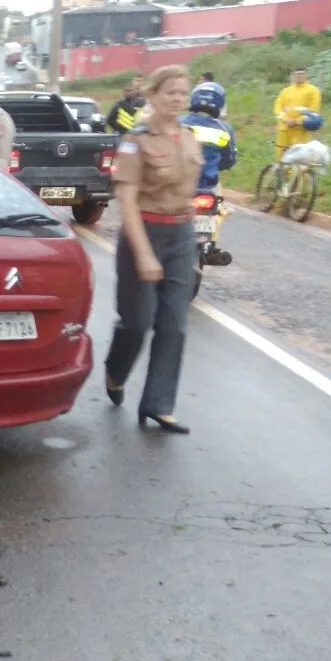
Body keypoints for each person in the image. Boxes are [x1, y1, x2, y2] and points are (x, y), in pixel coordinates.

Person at [103, 65, 203, 435]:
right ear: (154, 96)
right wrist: (143, 253)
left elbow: (189, 187)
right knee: (138, 321)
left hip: (180, 236)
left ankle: (159, 405)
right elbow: (126, 202)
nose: (177, 99)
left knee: (174, 324)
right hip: (142, 233)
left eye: (183, 93)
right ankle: (116, 372)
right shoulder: (136, 140)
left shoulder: (189, 136)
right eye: (170, 92)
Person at [181, 82, 237, 193]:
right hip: (207, 185)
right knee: (219, 205)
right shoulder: (225, 129)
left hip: (178, 184)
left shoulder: (178, 123)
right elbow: (229, 159)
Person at [273, 68, 322, 161]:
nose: (298, 76)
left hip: (300, 129)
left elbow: (313, 110)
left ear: (306, 75)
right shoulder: (285, 91)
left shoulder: (313, 90)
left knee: (298, 156)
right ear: (293, 76)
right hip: (284, 128)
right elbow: (277, 107)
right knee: (281, 155)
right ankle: (282, 174)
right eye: (296, 74)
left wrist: (297, 121)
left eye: (301, 74)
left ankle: (299, 175)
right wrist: (285, 119)